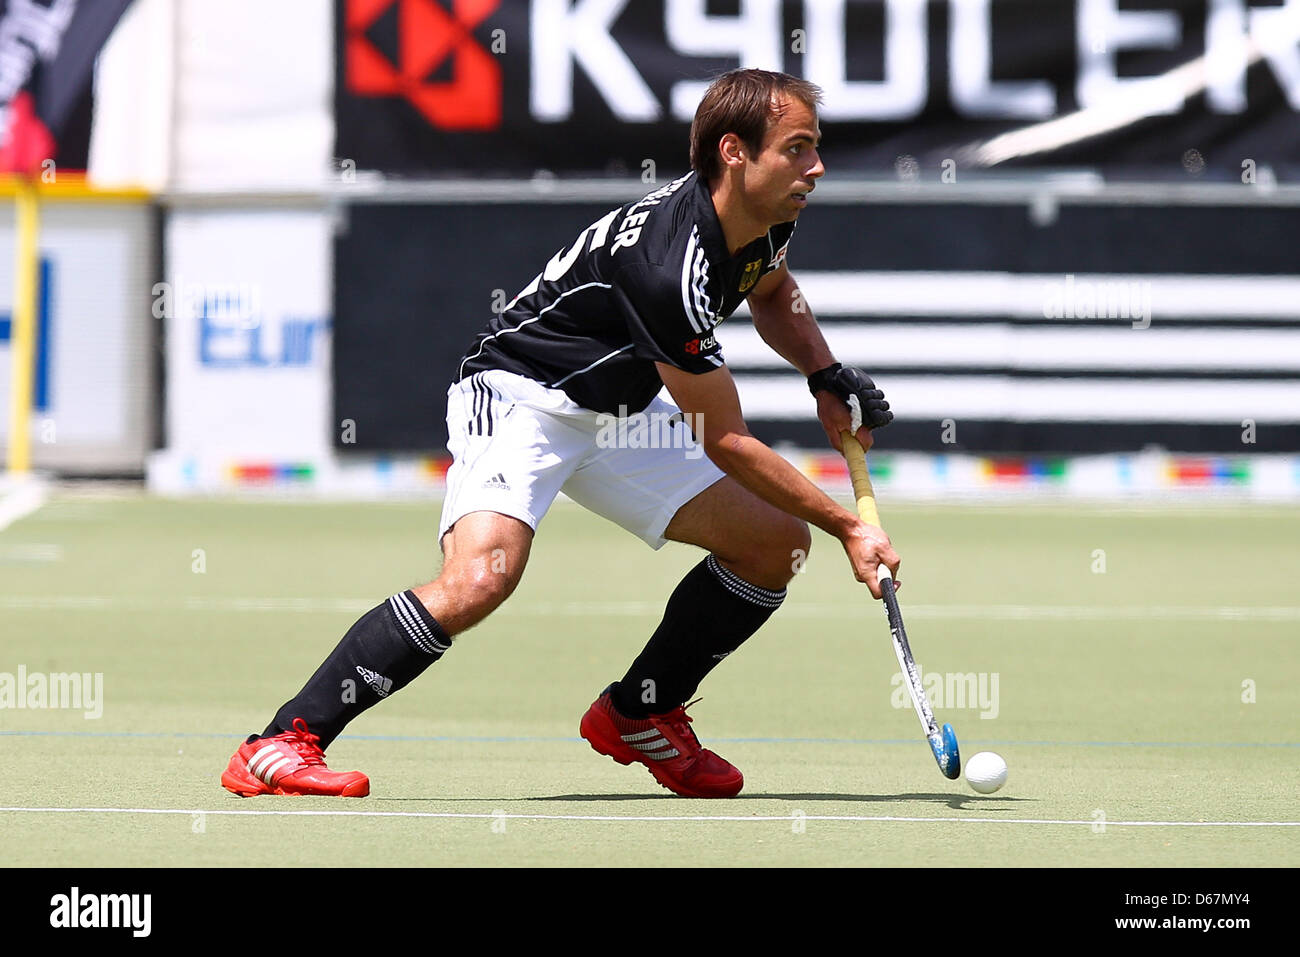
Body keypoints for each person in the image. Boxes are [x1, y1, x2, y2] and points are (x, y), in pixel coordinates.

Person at [221, 68, 899, 800]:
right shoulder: (668, 269)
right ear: (735, 152)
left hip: (622, 413)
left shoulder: (766, 214)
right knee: (480, 579)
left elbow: (770, 289)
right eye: (798, 149)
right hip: (523, 397)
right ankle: (283, 740)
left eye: (815, 148)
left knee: (772, 544)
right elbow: (725, 440)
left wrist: (825, 373)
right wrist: (846, 527)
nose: (816, 167)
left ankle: (642, 711)